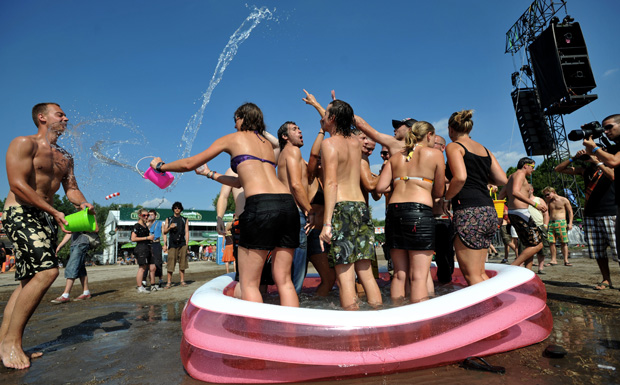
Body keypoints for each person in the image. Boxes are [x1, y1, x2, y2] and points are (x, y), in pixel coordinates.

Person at [152, 103, 299, 307]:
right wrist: (211, 174)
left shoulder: (232, 139)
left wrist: (160, 166)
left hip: (261, 206)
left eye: (235, 120)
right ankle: (291, 336)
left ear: (241, 118)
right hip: (287, 205)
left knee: (249, 284)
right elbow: (240, 181)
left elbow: (189, 164)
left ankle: (254, 336)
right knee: (284, 281)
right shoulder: (266, 144)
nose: (234, 125)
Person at [1, 103, 95, 369]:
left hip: (46, 216)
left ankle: (3, 342)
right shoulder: (23, 143)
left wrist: (83, 203)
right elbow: (17, 184)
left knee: (28, 281)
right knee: (47, 272)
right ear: (42, 118)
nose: (66, 117)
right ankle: (11, 344)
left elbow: (71, 190)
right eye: (60, 114)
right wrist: (55, 211)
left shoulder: (65, 156)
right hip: (19, 211)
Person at [319, 99, 382, 310]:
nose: (322, 118)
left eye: (326, 113)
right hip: (361, 208)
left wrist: (327, 223)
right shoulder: (356, 143)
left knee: (346, 280)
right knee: (367, 275)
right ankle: (381, 321)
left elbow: (331, 183)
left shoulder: (328, 144)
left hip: (341, 209)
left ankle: (354, 338)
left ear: (333, 118)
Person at [376, 121, 445, 303]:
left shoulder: (395, 157)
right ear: (429, 135)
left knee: (400, 274)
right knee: (419, 277)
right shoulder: (435, 154)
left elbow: (380, 187)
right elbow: (439, 192)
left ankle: (397, 319)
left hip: (394, 212)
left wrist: (401, 182)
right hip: (419, 213)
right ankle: (421, 328)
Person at [444, 110, 507, 286]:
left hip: (468, 211)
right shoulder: (484, 149)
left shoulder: (454, 146)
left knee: (471, 275)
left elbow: (461, 177)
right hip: (488, 211)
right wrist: (480, 176)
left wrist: (446, 199)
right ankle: (495, 306)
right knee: (479, 273)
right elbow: (502, 179)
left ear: (450, 129)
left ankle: (488, 312)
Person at [556, 149, 617, 287]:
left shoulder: (610, 165)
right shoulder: (584, 170)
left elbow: (612, 176)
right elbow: (558, 169)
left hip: (610, 212)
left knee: (618, 250)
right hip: (591, 214)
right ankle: (606, 279)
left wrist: (598, 161)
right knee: (598, 251)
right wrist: (574, 158)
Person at [303, 89, 337, 297]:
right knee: (328, 277)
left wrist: (321, 107)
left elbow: (338, 131)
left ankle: (315, 306)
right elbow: (314, 154)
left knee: (330, 278)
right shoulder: (310, 176)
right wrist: (322, 130)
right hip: (309, 234)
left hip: (322, 235)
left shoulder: (330, 180)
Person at [277, 121, 313, 294]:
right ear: (285, 137)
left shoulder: (283, 154)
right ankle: (293, 308)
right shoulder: (292, 150)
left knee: (286, 269)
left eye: (299, 128)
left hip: (284, 213)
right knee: (297, 273)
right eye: (294, 129)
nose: (300, 131)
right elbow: (296, 185)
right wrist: (310, 210)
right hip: (295, 213)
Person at [499, 157, 547, 271]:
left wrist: (501, 215)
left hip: (514, 213)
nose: (533, 170)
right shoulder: (520, 174)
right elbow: (515, 192)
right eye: (533, 167)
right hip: (521, 213)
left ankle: (527, 273)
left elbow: (501, 195)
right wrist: (535, 205)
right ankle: (511, 268)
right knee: (538, 245)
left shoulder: (511, 176)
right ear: (525, 165)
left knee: (529, 245)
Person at [583, 114, 620, 259]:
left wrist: (594, 148)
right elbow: (595, 154)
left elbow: (613, 162)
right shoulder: (614, 147)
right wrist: (589, 137)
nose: (606, 131)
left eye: (609, 127)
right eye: (603, 129)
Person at [51, 227, 97, 303]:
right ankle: (86, 293)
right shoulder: (74, 216)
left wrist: (83, 228)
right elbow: (69, 233)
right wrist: (59, 246)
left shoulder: (89, 214)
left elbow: (96, 229)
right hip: (74, 244)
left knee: (71, 267)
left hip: (82, 243)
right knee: (81, 269)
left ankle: (65, 295)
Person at [432, 134, 455, 284]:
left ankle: (447, 286)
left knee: (445, 256)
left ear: (442, 147)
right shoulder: (425, 164)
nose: (429, 144)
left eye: (434, 143)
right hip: (428, 217)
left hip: (444, 218)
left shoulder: (450, 169)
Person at [542, 187, 573, 266]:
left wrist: (570, 223)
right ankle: (553, 260)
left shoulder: (564, 200)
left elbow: (570, 212)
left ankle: (566, 260)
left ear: (553, 191)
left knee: (564, 242)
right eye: (545, 195)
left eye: (548, 194)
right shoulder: (549, 202)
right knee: (551, 242)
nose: (547, 196)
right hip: (551, 223)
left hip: (561, 222)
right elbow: (545, 211)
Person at [163, 201, 189, 288]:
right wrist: (170, 227)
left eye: (178, 208)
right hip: (172, 244)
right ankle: (169, 282)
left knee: (182, 263)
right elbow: (164, 232)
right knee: (171, 263)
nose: (177, 209)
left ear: (181, 209)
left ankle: (182, 281)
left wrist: (187, 243)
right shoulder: (169, 219)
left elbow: (187, 231)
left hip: (182, 243)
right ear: (173, 209)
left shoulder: (184, 219)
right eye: (175, 208)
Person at [527, 185, 550, 273]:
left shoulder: (539, 200)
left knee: (542, 248)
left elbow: (546, 213)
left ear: (532, 190)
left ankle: (540, 268)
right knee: (528, 248)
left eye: (528, 189)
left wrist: (545, 225)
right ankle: (527, 268)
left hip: (539, 225)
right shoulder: (523, 200)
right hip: (528, 226)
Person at [132, 208, 155, 293]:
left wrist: (149, 239)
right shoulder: (137, 226)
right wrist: (147, 238)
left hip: (147, 248)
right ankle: (140, 287)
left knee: (149, 267)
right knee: (141, 268)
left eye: (147, 215)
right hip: (141, 248)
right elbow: (133, 238)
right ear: (139, 216)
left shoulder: (145, 226)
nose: (146, 217)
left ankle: (149, 285)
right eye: (144, 215)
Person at [147, 209, 164, 287]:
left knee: (158, 262)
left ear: (155, 216)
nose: (150, 216)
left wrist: (165, 244)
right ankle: (150, 281)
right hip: (149, 244)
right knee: (149, 263)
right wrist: (148, 223)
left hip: (157, 243)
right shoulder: (147, 224)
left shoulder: (160, 223)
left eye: (152, 215)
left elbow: (164, 234)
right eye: (149, 214)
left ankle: (160, 279)